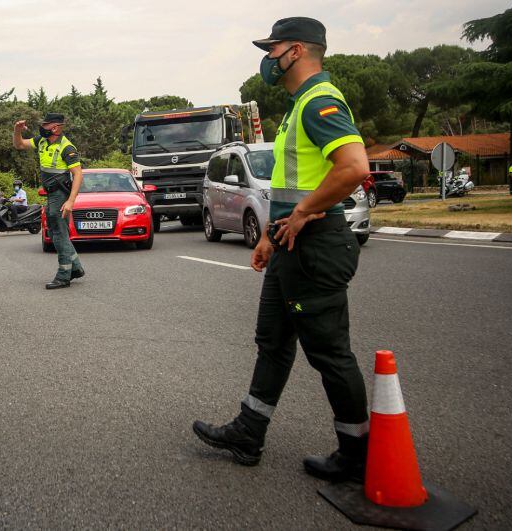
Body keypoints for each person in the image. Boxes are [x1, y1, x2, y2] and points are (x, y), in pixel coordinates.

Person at [192, 17, 372, 483]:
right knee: (272, 340)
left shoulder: (319, 100)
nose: (268, 59)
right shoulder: (298, 106)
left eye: (273, 50)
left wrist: (305, 213)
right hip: (291, 243)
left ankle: (357, 455)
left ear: (295, 50)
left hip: (315, 246)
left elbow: (353, 168)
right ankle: (248, 433)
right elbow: (294, 184)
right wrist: (271, 234)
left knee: (329, 352)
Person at [12, 113, 85, 289]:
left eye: (46, 125)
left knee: (58, 233)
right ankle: (76, 267)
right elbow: (19, 144)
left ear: (56, 128)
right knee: (54, 233)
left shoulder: (67, 148)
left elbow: (78, 174)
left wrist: (71, 201)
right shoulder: (42, 141)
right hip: (51, 194)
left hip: (60, 194)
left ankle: (63, 275)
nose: (42, 127)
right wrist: (17, 131)